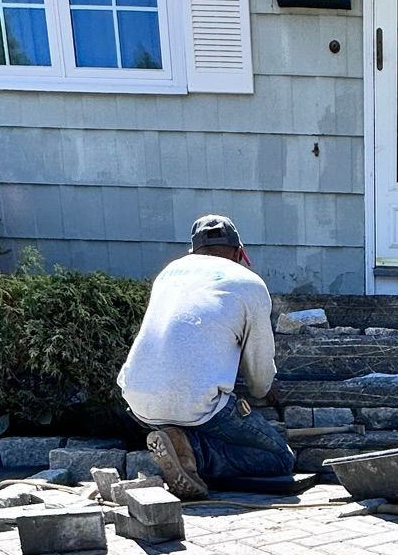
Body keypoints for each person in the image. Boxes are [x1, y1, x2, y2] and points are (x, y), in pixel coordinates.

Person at [116, 213, 295, 501]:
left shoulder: (168, 273)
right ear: (239, 253)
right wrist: (266, 390)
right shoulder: (248, 283)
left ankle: (177, 442)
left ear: (193, 253)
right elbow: (259, 377)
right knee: (279, 458)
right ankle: (194, 453)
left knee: (200, 412)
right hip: (195, 404)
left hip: (138, 399)